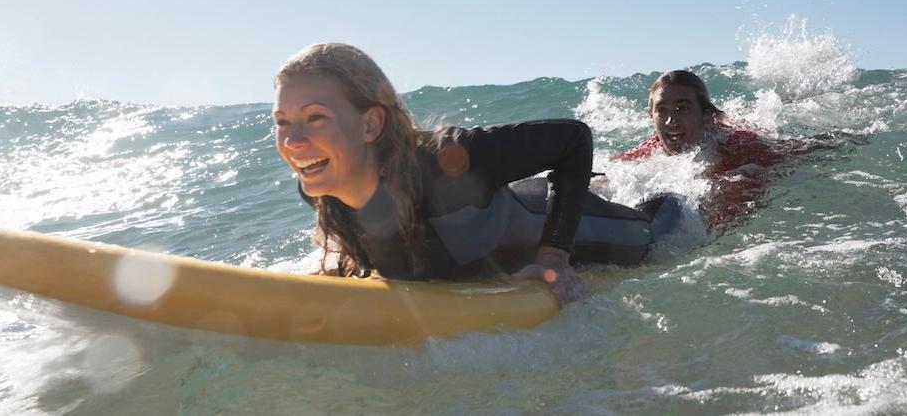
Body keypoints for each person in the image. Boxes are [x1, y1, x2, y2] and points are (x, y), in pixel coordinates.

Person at [273, 43, 684, 306]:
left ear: (369, 125)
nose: (292, 140)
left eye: (315, 118)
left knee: (658, 226)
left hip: (575, 227)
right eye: (282, 122)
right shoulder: (322, 186)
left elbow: (573, 139)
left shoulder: (445, 161)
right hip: (506, 207)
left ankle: (682, 195)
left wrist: (553, 257)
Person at [616, 70, 784, 229]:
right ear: (651, 116)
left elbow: (732, 220)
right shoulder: (650, 149)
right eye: (661, 110)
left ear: (706, 114)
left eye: (681, 108)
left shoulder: (737, 147)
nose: (670, 120)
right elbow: (611, 170)